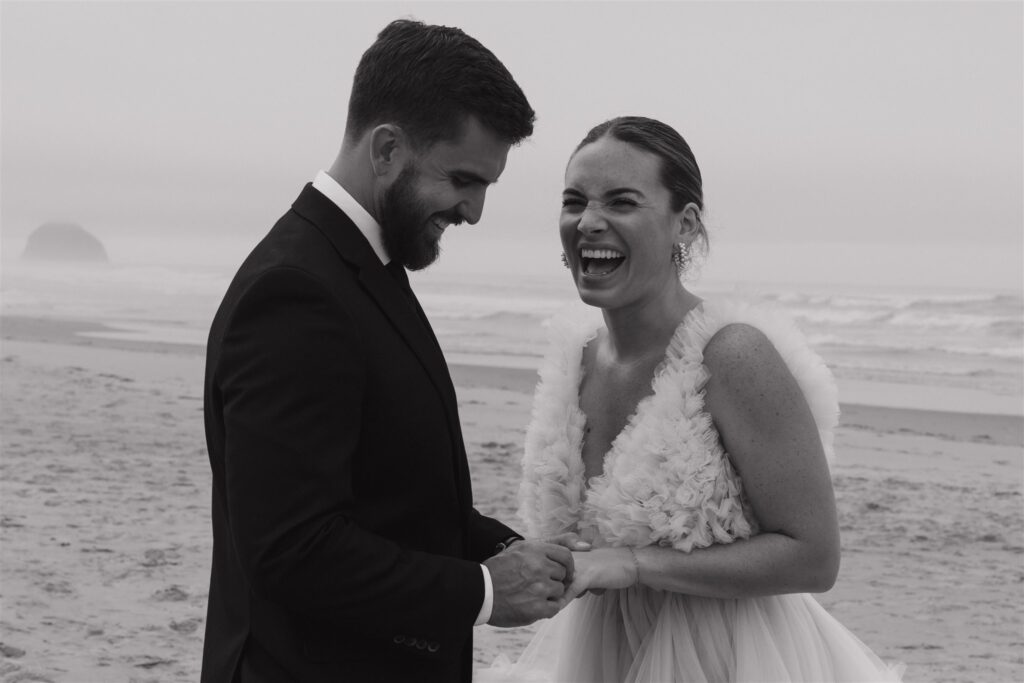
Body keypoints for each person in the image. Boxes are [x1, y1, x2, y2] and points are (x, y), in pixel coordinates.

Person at [201, 19, 580, 683]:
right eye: (463, 178)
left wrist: (514, 551)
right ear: (385, 150)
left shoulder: (363, 265)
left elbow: (393, 498)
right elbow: (292, 548)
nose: (474, 210)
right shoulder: (296, 291)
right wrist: (484, 592)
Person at [480, 116, 903, 682]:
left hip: (729, 659)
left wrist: (630, 565)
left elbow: (814, 556)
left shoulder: (733, 356)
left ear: (686, 224)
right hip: (601, 654)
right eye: (574, 201)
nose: (589, 222)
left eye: (622, 202)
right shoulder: (575, 359)